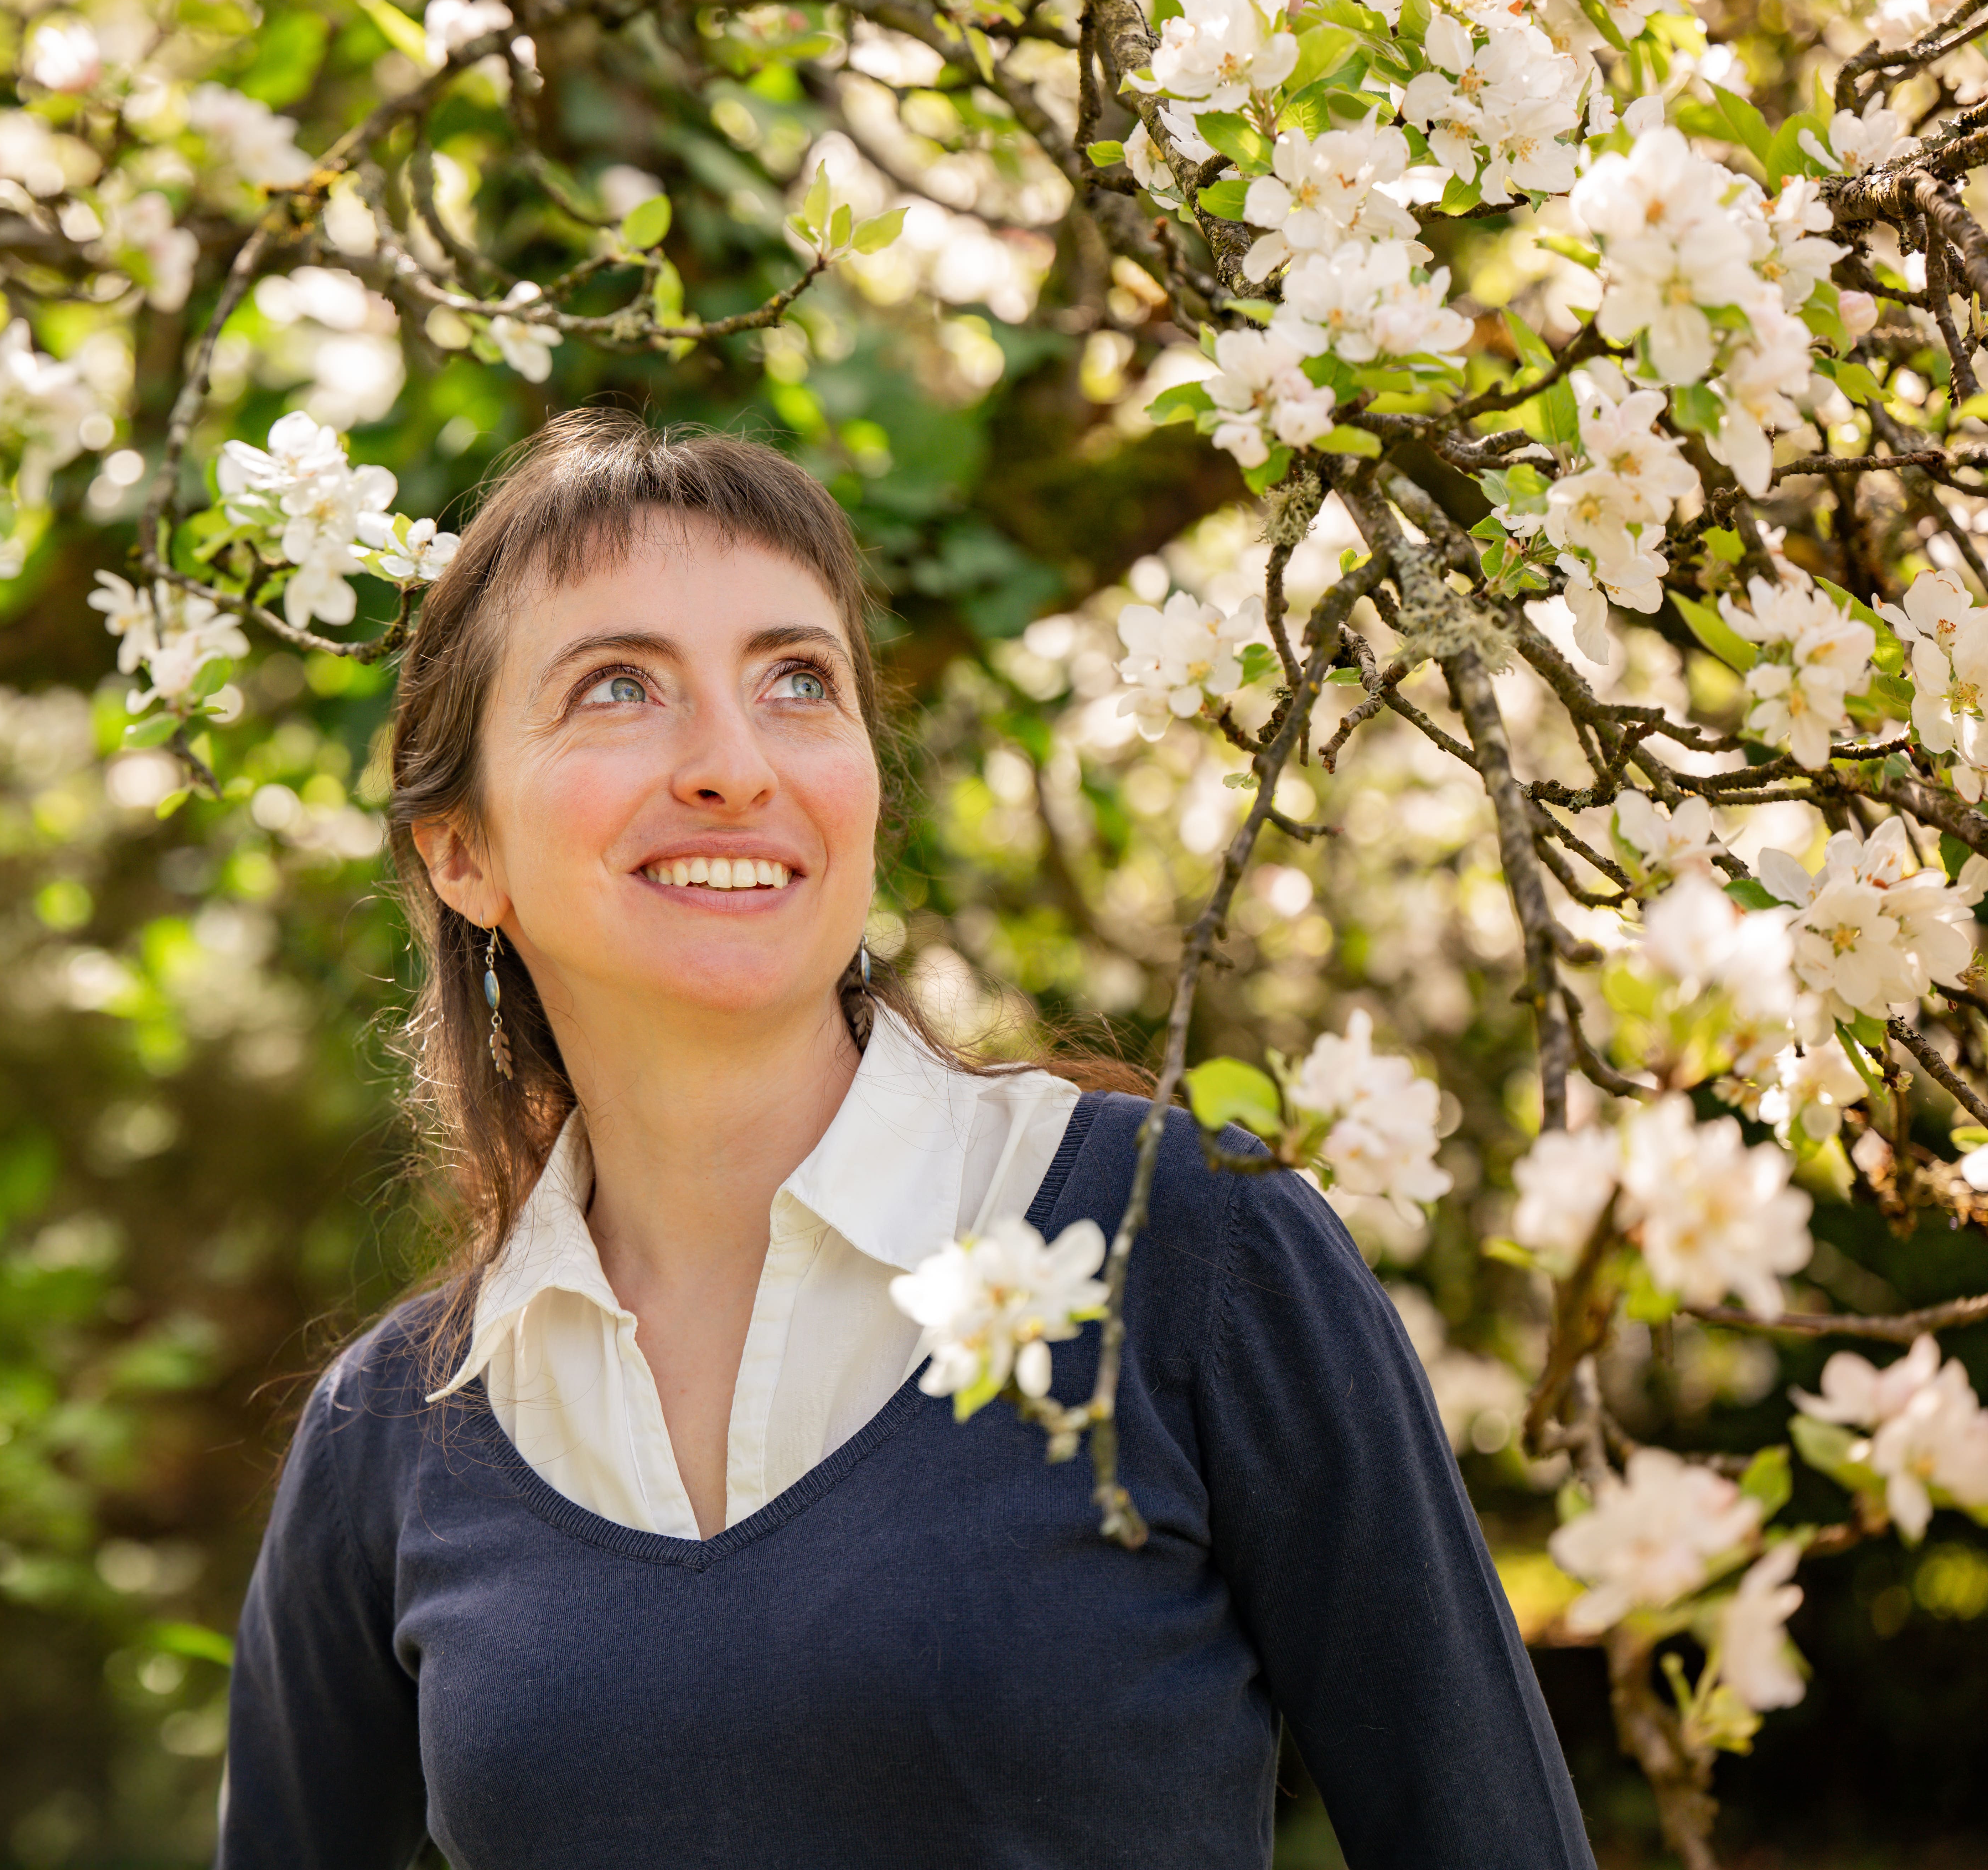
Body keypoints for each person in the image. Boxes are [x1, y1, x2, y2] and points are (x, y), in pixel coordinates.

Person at [214, 409, 1593, 1868]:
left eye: (798, 680)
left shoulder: (1186, 1246)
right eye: (619, 686)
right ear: (462, 850)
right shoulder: (394, 1440)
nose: (732, 764)